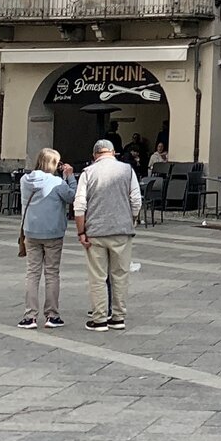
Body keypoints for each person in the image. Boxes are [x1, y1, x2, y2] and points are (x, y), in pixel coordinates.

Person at [74, 138, 143, 331]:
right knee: (120, 275)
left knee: (97, 277)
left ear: (95, 155)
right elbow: (136, 200)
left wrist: (81, 231)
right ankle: (118, 317)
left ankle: (99, 319)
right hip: (122, 230)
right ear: (113, 153)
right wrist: (131, 219)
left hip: (96, 231)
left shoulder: (88, 172)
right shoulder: (127, 170)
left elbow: (79, 206)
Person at [18, 149, 76, 329]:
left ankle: (29, 316)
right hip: (53, 233)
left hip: (31, 231)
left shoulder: (24, 180)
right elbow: (71, 196)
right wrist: (70, 177)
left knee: (32, 273)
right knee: (51, 273)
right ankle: (52, 315)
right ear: (54, 164)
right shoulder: (57, 182)